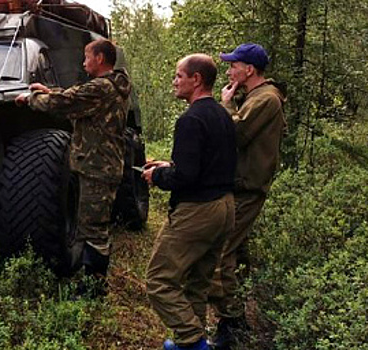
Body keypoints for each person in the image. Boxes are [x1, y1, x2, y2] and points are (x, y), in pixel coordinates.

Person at [15, 39, 132, 295]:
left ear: (100, 59)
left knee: (95, 229)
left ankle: (94, 286)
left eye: (86, 57)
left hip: (97, 168)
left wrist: (31, 99)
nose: (83, 62)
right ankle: (91, 279)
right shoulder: (111, 86)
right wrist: (49, 90)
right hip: (99, 165)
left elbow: (67, 102)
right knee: (91, 223)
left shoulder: (101, 88)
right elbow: (75, 96)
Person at [141, 54, 236, 350]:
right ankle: (190, 343)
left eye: (179, 75)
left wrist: (157, 177)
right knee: (197, 282)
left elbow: (186, 178)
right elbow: (207, 163)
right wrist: (167, 165)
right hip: (225, 207)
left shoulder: (190, 119)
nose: (175, 81)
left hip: (198, 211)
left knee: (158, 281)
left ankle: (193, 342)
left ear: (196, 80)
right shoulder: (223, 114)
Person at [209, 43, 287, 350]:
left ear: (249, 70)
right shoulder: (257, 96)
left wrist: (226, 105)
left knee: (219, 253)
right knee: (238, 254)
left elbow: (237, 135)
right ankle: (240, 317)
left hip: (247, 188)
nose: (229, 71)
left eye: (233, 66)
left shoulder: (266, 99)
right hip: (242, 185)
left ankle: (229, 323)